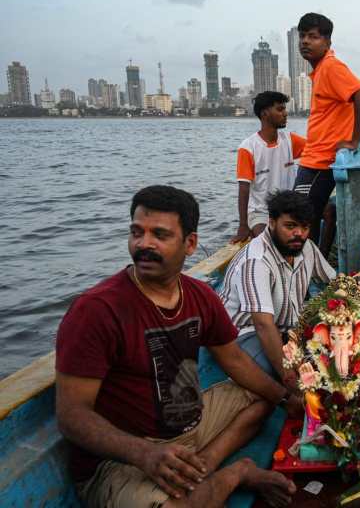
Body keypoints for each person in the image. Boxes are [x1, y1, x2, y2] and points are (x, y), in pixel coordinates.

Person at [55, 185, 298, 508]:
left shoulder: (199, 296)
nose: (144, 244)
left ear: (191, 244)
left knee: (263, 397)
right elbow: (72, 415)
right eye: (136, 232)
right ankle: (234, 474)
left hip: (191, 425)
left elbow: (235, 361)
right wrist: (144, 453)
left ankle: (203, 465)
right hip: (124, 458)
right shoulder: (97, 310)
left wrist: (286, 398)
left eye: (159, 235)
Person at [220, 190, 335, 379]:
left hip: (286, 327)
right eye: (290, 226)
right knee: (283, 373)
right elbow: (263, 325)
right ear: (271, 223)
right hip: (244, 333)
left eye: (305, 227)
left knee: (337, 347)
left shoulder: (305, 248)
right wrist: (288, 377)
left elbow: (333, 281)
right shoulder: (256, 260)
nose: (298, 234)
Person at [292, 12, 360, 256]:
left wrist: (354, 139)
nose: (305, 41)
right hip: (314, 158)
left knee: (299, 220)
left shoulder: (331, 67)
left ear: (327, 42)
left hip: (319, 162)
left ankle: (303, 276)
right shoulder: (322, 70)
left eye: (313, 37)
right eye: (302, 36)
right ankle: (312, 269)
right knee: (309, 219)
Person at [231, 91, 306, 243]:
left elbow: (319, 146)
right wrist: (243, 225)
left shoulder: (290, 140)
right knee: (266, 239)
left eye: (285, 109)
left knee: (327, 213)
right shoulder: (248, 147)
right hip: (261, 213)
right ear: (265, 114)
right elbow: (244, 189)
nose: (285, 113)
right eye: (280, 109)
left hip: (289, 210)